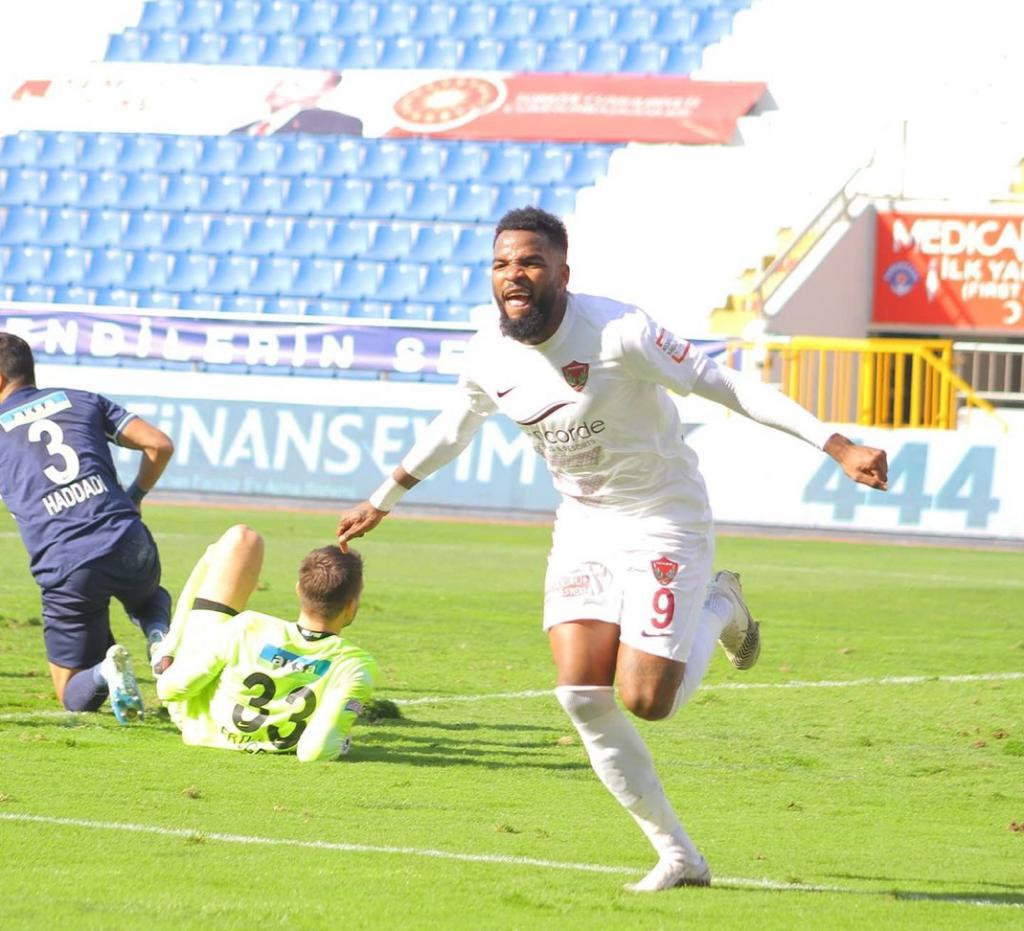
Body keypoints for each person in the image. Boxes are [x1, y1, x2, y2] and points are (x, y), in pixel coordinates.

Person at [335, 206, 889, 891]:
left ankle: (721, 603)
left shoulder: (622, 331)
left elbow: (728, 385)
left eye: (531, 262)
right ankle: (678, 853)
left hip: (664, 516)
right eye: (503, 263)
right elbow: (457, 423)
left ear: (563, 272)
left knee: (646, 698)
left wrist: (837, 445)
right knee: (580, 694)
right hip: (585, 523)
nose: (516, 275)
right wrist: (382, 496)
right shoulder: (487, 352)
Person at [0, 332, 174, 723]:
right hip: (129, 542)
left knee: (72, 692)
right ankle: (158, 635)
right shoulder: (82, 399)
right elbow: (159, 445)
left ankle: (106, 671)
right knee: (147, 597)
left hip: (68, 565)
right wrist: (135, 495)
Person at [154, 525, 377, 763]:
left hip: (201, 729)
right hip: (271, 740)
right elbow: (316, 752)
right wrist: (339, 740)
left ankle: (167, 649)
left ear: (298, 590)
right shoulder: (354, 664)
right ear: (351, 606)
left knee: (242, 539)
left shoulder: (248, 627)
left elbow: (169, 690)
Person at [231, 71, 364, 136]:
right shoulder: (237, 133)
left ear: (328, 87)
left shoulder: (336, 125)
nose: (282, 85)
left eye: (296, 84)